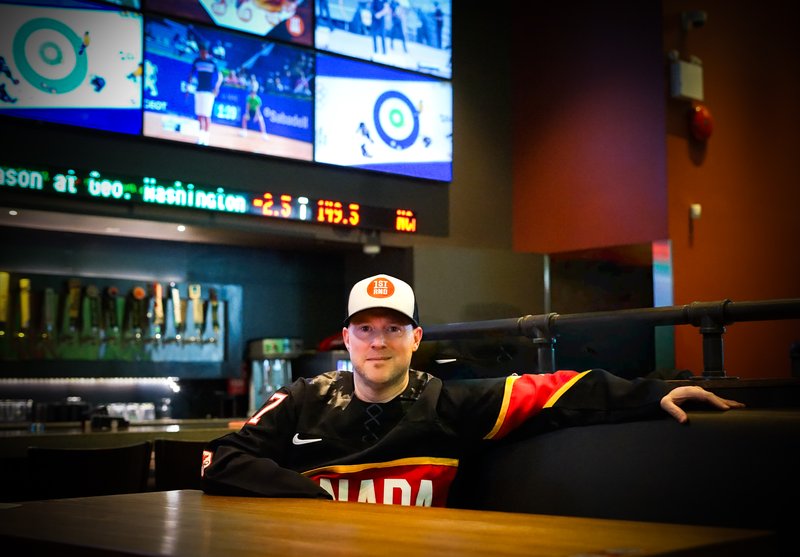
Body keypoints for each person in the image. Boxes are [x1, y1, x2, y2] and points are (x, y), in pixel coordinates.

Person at [201, 273, 744, 506]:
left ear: (416, 339)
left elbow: (554, 390)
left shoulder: (449, 402)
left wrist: (652, 394)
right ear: (346, 339)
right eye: (365, 329)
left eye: (393, 328)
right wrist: (315, 500)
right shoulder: (304, 399)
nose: (378, 342)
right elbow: (221, 461)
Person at [187, 44, 222, 146]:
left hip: (208, 93)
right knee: (199, 115)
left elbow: (220, 77)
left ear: (207, 52)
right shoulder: (197, 61)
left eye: (204, 51)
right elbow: (191, 74)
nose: (202, 53)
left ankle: (206, 139)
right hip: (199, 91)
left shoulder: (212, 62)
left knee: (206, 116)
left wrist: (217, 87)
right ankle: (200, 137)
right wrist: (188, 88)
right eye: (201, 51)